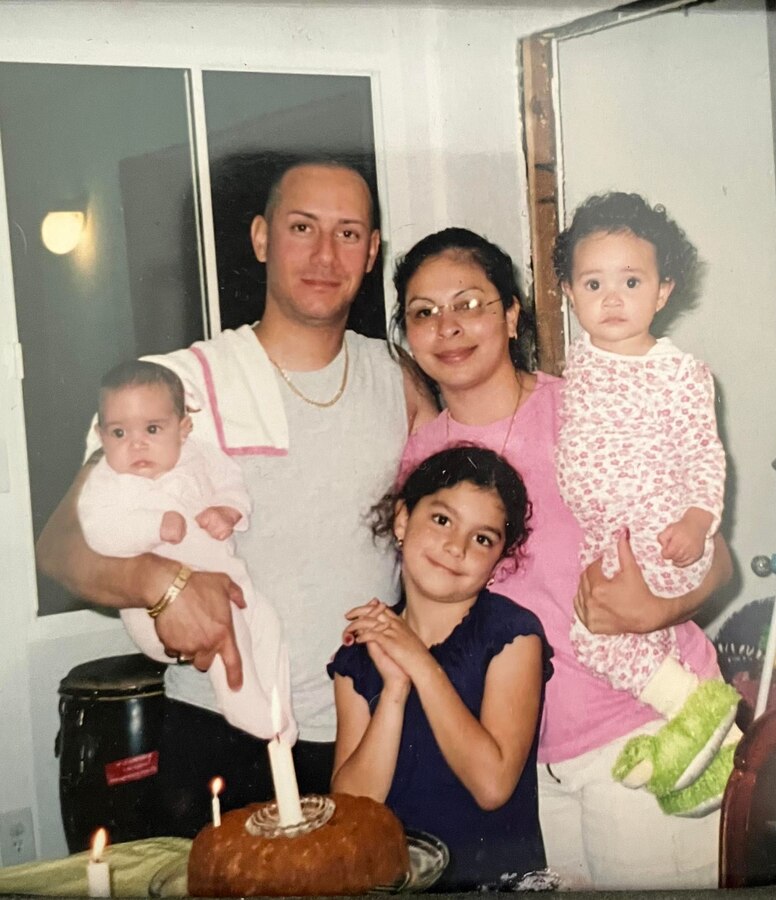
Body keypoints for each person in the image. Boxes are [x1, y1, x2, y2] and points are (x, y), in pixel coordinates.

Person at [36, 157, 436, 836]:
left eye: (348, 233)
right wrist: (155, 581)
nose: (323, 254)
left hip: (364, 727)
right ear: (260, 238)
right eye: (301, 227)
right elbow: (60, 546)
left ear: (371, 253)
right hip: (224, 728)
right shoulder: (180, 383)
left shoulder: (395, 377)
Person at [391, 227, 733, 890]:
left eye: (470, 304)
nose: (448, 327)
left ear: (513, 312)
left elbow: (716, 557)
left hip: (644, 729)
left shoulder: (587, 407)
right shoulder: (422, 455)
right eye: (423, 313)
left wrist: (658, 607)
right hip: (527, 758)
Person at [553, 192, 741, 813]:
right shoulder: (578, 363)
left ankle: (697, 713)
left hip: (660, 534)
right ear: (569, 293)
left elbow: (705, 455)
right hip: (605, 538)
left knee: (599, 640)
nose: (612, 298)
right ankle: (706, 759)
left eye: (631, 281)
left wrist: (697, 520)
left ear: (662, 292)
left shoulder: (678, 372)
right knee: (615, 645)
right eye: (594, 282)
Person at [328, 446, 553, 891]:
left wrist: (419, 662)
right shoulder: (360, 655)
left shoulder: (513, 635)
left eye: (483, 538)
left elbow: (492, 786)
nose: (457, 547)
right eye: (442, 520)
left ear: (497, 561)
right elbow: (353, 808)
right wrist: (393, 689)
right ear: (402, 520)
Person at [78, 360, 295, 743]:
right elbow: (97, 531)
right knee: (230, 629)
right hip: (157, 612)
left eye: (152, 429)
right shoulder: (109, 481)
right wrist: (151, 526)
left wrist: (229, 510)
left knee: (268, 623)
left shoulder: (200, 456)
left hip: (230, 581)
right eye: (118, 432)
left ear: (183, 428)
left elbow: (232, 483)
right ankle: (246, 709)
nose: (136, 443)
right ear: (100, 435)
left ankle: (278, 707)